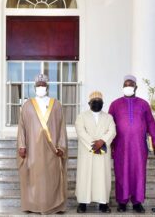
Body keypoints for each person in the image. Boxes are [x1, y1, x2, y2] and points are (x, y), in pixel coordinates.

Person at [17, 74, 68, 214]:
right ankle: (32, 205)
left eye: (43, 85)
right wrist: (22, 145)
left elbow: (62, 127)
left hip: (52, 150)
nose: (40, 87)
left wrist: (61, 147)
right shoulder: (27, 105)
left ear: (47, 87)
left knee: (52, 177)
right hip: (32, 149)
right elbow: (21, 128)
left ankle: (55, 205)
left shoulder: (56, 104)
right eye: (38, 85)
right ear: (34, 87)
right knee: (34, 178)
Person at [109, 75, 155, 213]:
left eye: (131, 84)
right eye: (126, 84)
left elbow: (151, 123)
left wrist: (154, 139)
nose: (128, 86)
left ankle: (137, 202)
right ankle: (121, 202)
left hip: (139, 147)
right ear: (123, 87)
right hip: (120, 146)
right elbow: (109, 124)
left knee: (138, 173)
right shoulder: (115, 104)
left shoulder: (144, 104)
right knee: (121, 173)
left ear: (136, 87)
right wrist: (109, 143)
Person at [75, 91, 116, 213]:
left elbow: (112, 131)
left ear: (103, 103)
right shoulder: (81, 116)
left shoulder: (109, 117)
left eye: (99, 101)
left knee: (102, 178)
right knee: (85, 177)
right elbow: (81, 132)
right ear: (89, 103)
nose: (97, 103)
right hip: (87, 152)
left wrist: (102, 141)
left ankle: (103, 203)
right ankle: (82, 203)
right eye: (94, 101)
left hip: (102, 153)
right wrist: (95, 145)